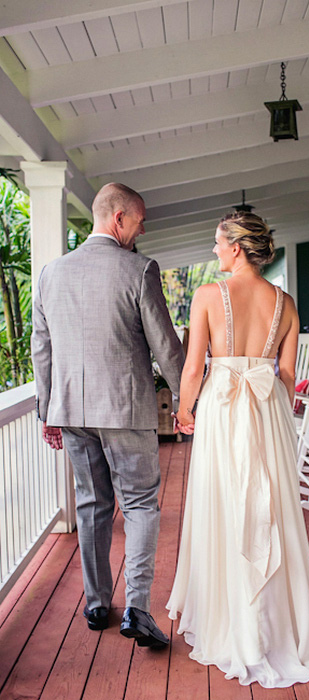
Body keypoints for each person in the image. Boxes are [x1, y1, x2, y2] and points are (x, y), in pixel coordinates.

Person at [167, 212, 309, 687]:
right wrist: (269, 415)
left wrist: (185, 412)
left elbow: (193, 368)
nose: (214, 251)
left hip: (222, 412)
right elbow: (288, 379)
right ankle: (277, 629)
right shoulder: (285, 302)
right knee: (271, 511)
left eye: (217, 244)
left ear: (236, 248)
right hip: (267, 414)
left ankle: (234, 626)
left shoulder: (207, 296)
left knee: (225, 507)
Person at [31, 183, 184, 648]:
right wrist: (186, 400)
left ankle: (97, 602)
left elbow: (42, 348)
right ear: (119, 219)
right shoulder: (139, 269)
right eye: (139, 221)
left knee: (92, 504)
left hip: (72, 410)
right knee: (139, 504)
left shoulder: (50, 273)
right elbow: (165, 346)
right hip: (125, 409)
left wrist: (47, 410)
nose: (142, 230)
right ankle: (137, 608)